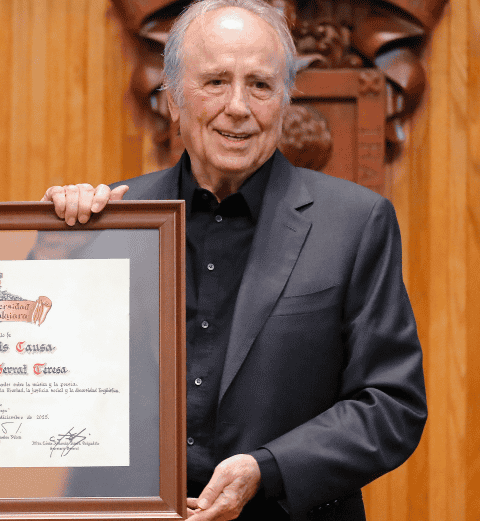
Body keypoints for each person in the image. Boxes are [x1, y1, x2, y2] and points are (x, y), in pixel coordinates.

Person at [42, 0, 427, 519]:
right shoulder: (108, 222)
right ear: (174, 99)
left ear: (286, 100)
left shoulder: (357, 225)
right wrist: (48, 254)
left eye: (261, 85)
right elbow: (38, 376)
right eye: (216, 82)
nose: (239, 106)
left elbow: (391, 406)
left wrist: (268, 468)